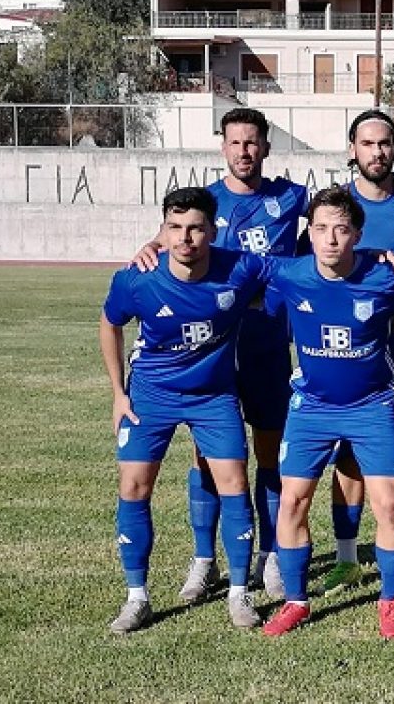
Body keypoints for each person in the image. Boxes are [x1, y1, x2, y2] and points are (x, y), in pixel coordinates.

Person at [129, 108, 394, 602]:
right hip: (213, 349)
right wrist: (150, 244)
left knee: (271, 455)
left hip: (270, 344)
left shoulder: (290, 197)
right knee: (210, 458)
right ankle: (204, 560)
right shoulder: (207, 202)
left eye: (252, 142)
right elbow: (175, 234)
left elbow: (342, 213)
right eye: (234, 142)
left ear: (266, 147)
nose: (243, 151)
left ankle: (270, 555)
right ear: (222, 147)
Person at [98, 187, 269, 634]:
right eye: (174, 228)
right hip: (150, 395)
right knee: (134, 486)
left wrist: (374, 255)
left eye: (195, 228)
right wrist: (118, 393)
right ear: (163, 230)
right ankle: (137, 598)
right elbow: (110, 323)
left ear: (213, 230)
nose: (185, 238)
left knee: (234, 483)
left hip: (214, 396)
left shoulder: (242, 268)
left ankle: (239, 593)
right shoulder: (137, 279)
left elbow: (305, 268)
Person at [258, 187, 394, 639]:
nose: (330, 239)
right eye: (321, 228)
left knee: (386, 502)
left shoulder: (387, 275)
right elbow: (223, 263)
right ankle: (295, 601)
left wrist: (383, 260)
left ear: (357, 235)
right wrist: (157, 244)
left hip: (372, 406)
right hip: (311, 406)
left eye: (342, 230)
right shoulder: (289, 272)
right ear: (309, 232)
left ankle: (390, 601)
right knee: (293, 500)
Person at [315, 110, 394, 600]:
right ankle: (347, 560)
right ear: (352, 150)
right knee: (346, 459)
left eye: (385, 142)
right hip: (343, 354)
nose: (377, 151)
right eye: (367, 143)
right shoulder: (333, 208)